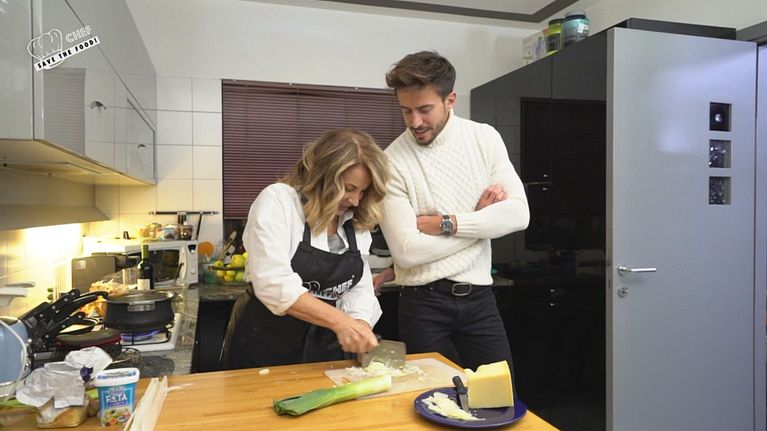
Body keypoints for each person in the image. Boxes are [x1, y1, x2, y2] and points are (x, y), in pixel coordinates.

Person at [374, 51, 530, 373]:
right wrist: (481, 223)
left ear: (450, 100)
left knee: (500, 394)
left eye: (424, 109)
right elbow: (407, 253)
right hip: (423, 305)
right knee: (433, 396)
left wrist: (449, 223)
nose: (414, 122)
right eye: (406, 110)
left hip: (480, 300)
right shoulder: (391, 162)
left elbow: (519, 214)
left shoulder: (484, 138)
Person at [222, 128, 389, 369]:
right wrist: (341, 322)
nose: (355, 201)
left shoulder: (354, 220)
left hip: (326, 349)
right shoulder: (279, 202)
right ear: (322, 177)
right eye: (349, 188)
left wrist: (360, 324)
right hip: (264, 344)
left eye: (363, 192)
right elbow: (274, 283)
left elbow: (358, 288)